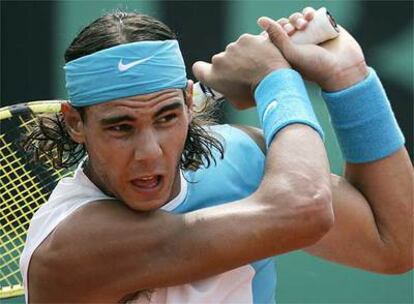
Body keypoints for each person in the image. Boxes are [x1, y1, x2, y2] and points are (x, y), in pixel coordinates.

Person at [20, 7, 412, 303]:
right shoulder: (68, 249)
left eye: (166, 117)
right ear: (74, 123)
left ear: (190, 104)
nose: (149, 152)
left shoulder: (239, 159)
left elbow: (395, 243)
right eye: (120, 127)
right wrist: (274, 78)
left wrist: (349, 76)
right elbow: (304, 209)